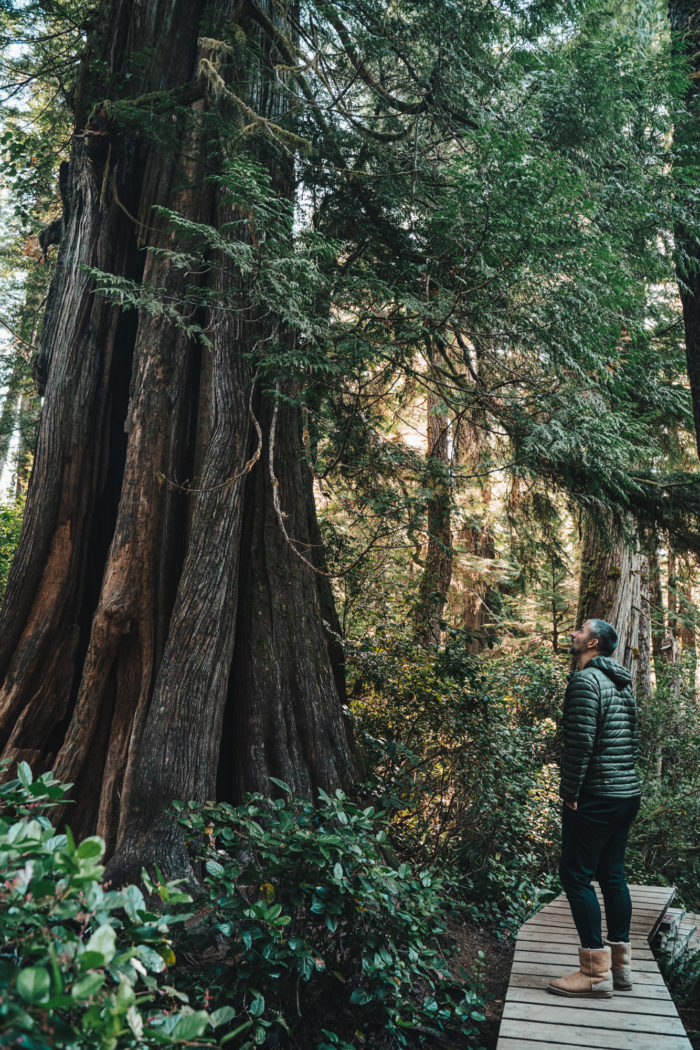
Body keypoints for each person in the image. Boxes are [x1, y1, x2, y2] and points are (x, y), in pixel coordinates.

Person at [547, 618, 641, 999]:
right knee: (613, 875)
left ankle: (593, 973)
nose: (573, 633)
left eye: (580, 630)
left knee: (575, 876)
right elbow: (632, 741)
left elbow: (580, 742)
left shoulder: (586, 681)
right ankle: (620, 968)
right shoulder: (622, 683)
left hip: (597, 796)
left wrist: (569, 790)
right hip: (625, 794)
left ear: (594, 642)